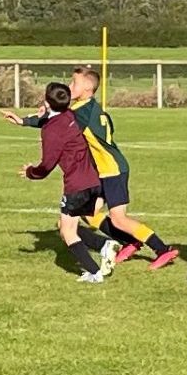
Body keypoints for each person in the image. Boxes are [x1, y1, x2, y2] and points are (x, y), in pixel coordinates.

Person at [59, 66, 177, 270]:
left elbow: (61, 125)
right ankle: (130, 242)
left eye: (74, 83)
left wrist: (37, 117)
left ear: (87, 88)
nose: (70, 87)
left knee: (119, 218)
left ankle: (162, 249)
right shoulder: (92, 107)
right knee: (89, 213)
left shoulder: (81, 111)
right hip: (105, 171)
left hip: (112, 170)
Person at [21, 82, 118, 283]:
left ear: (47, 101)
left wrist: (31, 172)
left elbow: (47, 165)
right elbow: (54, 117)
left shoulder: (52, 130)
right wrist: (33, 118)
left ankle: (94, 272)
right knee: (63, 224)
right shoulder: (72, 115)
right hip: (94, 181)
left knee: (67, 232)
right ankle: (103, 245)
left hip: (77, 186)